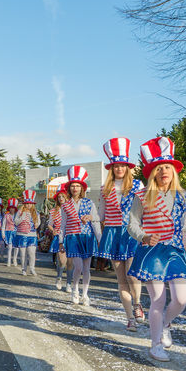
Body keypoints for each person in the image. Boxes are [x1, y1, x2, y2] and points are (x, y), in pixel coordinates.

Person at [128, 138, 186, 361]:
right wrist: (144, 236)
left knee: (181, 299)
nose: (164, 171)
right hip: (152, 253)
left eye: (167, 166)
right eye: (159, 168)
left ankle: (166, 323)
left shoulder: (183, 197)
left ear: (174, 171)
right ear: (153, 173)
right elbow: (132, 224)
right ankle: (155, 343)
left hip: (176, 252)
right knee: (157, 299)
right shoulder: (142, 196)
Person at [97, 138, 146, 330]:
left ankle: (138, 303)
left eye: (122, 165)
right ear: (112, 168)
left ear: (127, 167)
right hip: (112, 234)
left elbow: (144, 210)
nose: (119, 169)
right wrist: (88, 217)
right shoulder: (104, 188)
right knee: (121, 279)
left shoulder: (137, 186)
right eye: (116, 166)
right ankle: (130, 318)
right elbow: (101, 214)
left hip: (131, 233)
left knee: (132, 275)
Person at [59, 166, 102, 306]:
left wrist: (100, 239)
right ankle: (75, 290)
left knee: (86, 268)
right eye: (73, 186)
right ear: (69, 188)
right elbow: (63, 225)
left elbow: (96, 221)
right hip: (72, 238)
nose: (75, 188)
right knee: (77, 267)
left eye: (77, 185)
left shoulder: (89, 203)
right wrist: (61, 241)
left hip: (87, 237)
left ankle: (85, 294)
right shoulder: (65, 206)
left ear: (82, 188)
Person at [11, 190, 41, 275]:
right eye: (27, 203)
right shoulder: (20, 212)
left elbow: (38, 223)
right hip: (22, 235)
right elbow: (16, 222)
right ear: (24, 204)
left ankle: (32, 268)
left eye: (30, 203)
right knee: (23, 254)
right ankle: (24, 269)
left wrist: (36, 224)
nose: (29, 205)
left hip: (32, 235)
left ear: (33, 204)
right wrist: (23, 216)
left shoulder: (36, 213)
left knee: (32, 253)